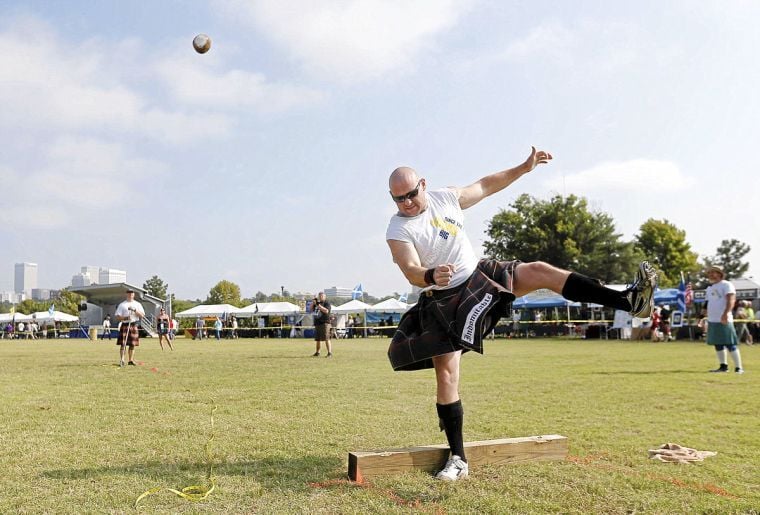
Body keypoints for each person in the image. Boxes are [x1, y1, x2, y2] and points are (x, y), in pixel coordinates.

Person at [385, 147, 657, 481]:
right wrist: (428, 276)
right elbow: (410, 268)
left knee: (541, 271)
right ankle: (458, 458)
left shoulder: (446, 198)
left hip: (480, 275)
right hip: (445, 297)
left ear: (423, 185)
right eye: (398, 199)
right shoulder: (398, 229)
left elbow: (485, 185)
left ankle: (630, 301)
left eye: (411, 194)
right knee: (447, 375)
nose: (406, 203)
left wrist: (524, 168)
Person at [705, 266, 744, 373]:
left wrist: (726, 313)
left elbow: (731, 300)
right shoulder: (710, 288)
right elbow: (707, 303)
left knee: (730, 343)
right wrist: (701, 317)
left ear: (719, 273)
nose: (711, 275)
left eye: (714, 272)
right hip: (713, 320)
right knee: (718, 344)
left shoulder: (727, 285)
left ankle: (738, 367)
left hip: (724, 319)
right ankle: (723, 366)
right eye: (710, 273)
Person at [115, 289, 145, 366]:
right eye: (129, 293)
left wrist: (135, 310)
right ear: (126, 294)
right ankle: (122, 360)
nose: (130, 294)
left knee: (132, 344)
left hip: (133, 324)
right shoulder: (122, 304)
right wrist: (125, 318)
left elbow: (142, 315)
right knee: (123, 344)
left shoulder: (138, 304)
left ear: (134, 294)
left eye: (131, 293)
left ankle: (130, 360)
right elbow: (117, 316)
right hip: (125, 325)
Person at [312, 292, 332, 357]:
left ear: (325, 297)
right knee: (317, 339)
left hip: (325, 323)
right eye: (320, 296)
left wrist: (319, 305)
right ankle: (317, 352)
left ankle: (329, 353)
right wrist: (314, 302)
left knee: (326, 338)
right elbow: (310, 309)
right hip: (317, 323)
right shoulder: (318, 303)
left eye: (322, 296)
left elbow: (326, 311)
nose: (321, 297)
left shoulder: (327, 303)